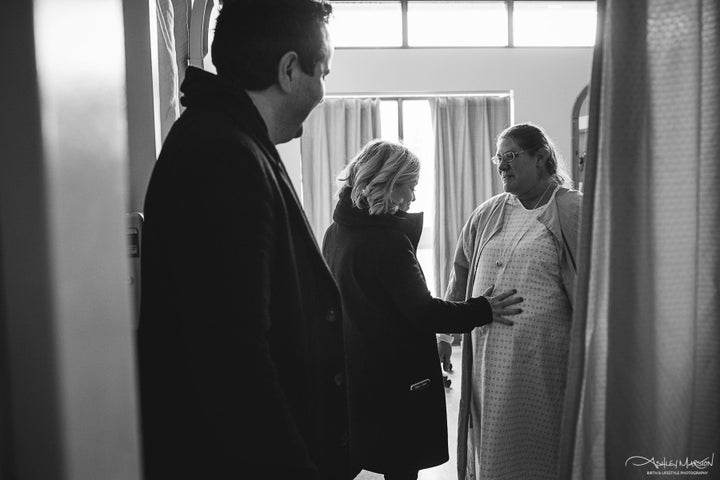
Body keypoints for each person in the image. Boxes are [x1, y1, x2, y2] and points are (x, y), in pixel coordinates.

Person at [136, 2, 353, 479]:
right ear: (290, 70)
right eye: (324, 73)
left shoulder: (228, 139)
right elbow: (232, 364)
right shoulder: (224, 156)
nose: (322, 90)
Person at [322, 140, 523, 480]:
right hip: (395, 379)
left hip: (355, 369)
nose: (412, 198)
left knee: (352, 456)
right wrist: (482, 309)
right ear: (388, 182)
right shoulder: (387, 241)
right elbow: (424, 312)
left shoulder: (336, 232)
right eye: (410, 187)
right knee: (400, 465)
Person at [442, 123, 582, 479]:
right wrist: (445, 336)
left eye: (511, 156)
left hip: (542, 364)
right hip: (485, 366)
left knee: (538, 451)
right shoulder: (488, 212)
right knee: (489, 450)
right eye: (498, 158)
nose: (502, 165)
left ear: (542, 158)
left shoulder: (573, 210)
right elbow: (459, 275)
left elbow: (595, 286)